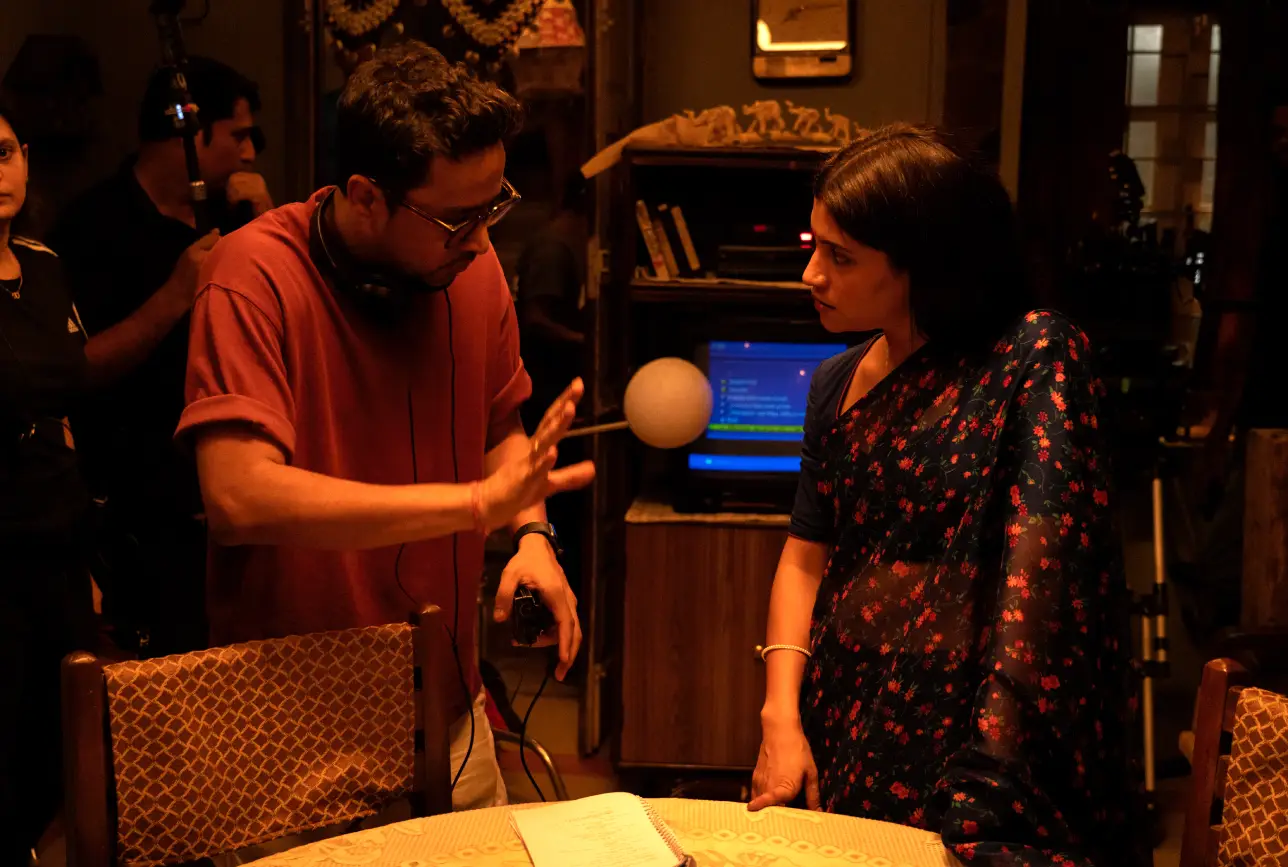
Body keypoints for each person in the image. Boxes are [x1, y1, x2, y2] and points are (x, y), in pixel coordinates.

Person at [175, 41, 594, 813]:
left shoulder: (474, 267)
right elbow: (238, 497)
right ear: (366, 196)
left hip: (451, 713)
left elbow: (501, 426)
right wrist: (476, 505)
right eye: (457, 219)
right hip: (286, 730)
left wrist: (532, 534)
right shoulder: (250, 275)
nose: (483, 241)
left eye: (495, 205)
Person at [749, 126, 1144, 867]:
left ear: (923, 263)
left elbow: (1041, 580)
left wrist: (992, 773)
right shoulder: (835, 382)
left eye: (840, 256)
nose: (811, 274)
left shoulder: (1033, 357)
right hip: (844, 713)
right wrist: (780, 717)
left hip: (979, 734)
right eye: (814, 245)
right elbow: (805, 559)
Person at [47, 56, 272, 657]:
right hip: (139, 512)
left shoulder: (235, 215)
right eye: (238, 135)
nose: (250, 153)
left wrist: (268, 222)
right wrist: (175, 294)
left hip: (235, 496)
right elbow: (77, 371)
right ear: (187, 134)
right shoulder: (91, 226)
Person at [0, 102, 95, 867]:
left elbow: (71, 393)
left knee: (64, 742)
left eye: (3, 152)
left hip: (58, 537)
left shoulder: (43, 263)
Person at [515, 172, 589, 595]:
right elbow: (534, 319)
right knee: (554, 511)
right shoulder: (554, 247)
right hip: (543, 391)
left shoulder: (564, 242)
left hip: (552, 390)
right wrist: (585, 341)